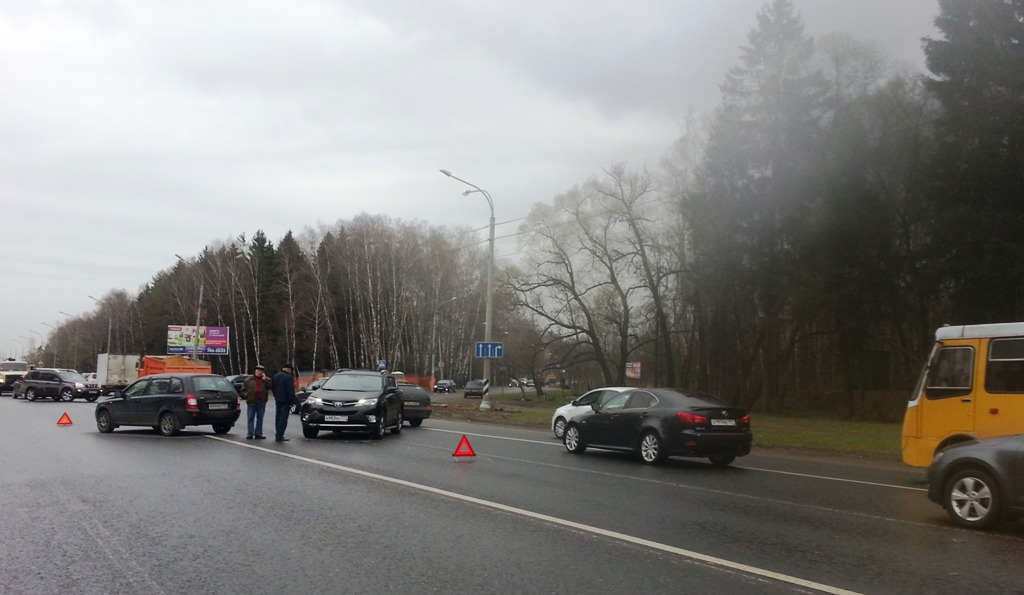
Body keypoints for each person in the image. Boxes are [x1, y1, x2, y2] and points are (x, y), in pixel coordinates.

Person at [242, 364, 272, 439]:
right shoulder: (248, 380)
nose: (260, 372)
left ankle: (258, 433)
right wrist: (247, 396)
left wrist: (265, 380)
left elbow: (269, 387)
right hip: (251, 401)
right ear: (255, 371)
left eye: (261, 371)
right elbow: (243, 390)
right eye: (258, 370)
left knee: (260, 418)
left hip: (261, 401)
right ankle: (250, 433)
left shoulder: (267, 380)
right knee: (250, 418)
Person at [272, 363, 297, 442]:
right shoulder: (288, 377)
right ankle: (280, 435)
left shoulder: (275, 376)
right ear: (289, 370)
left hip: (278, 400)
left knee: (278, 417)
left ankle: (278, 433)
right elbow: (290, 391)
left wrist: (276, 396)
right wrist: (293, 401)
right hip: (285, 401)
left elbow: (272, 388)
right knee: (283, 419)